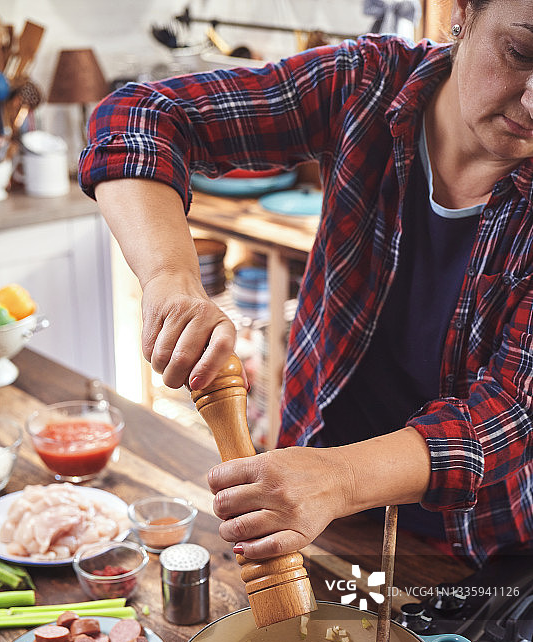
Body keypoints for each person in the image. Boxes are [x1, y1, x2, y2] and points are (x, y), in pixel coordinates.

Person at [79, 0, 533, 569]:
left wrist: (340, 480)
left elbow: (511, 413)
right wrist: (171, 279)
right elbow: (138, 116)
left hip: (473, 543)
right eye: (520, 52)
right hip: (311, 498)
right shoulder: (365, 86)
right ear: (464, 10)